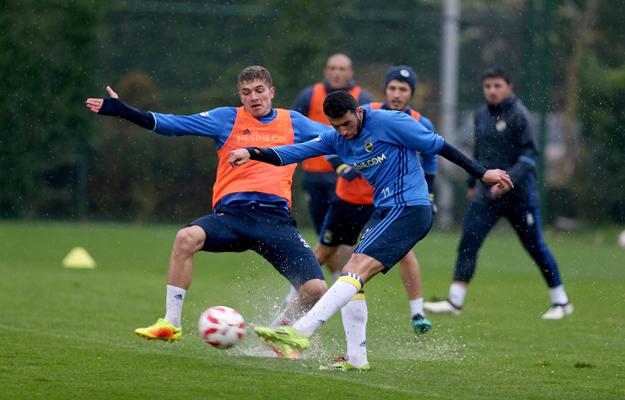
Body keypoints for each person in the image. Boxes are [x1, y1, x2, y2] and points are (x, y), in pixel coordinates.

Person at [228, 90, 513, 370]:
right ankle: (356, 358)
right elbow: (292, 153)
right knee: (352, 275)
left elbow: (438, 146)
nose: (344, 132)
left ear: (358, 112)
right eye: (336, 126)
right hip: (386, 211)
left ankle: (301, 331)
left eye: (347, 124)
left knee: (353, 271)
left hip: (410, 208)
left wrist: (483, 173)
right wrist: (251, 152)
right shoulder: (336, 137)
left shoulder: (389, 121)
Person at [85, 66, 332, 352]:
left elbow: (338, 138)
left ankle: (280, 331)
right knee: (185, 238)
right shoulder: (226, 118)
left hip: (275, 220)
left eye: (260, 91)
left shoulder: (294, 122)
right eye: (246, 92)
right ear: (240, 95)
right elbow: (173, 124)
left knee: (316, 290)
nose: (253, 97)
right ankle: (170, 323)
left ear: (272, 92)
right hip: (232, 217)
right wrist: (125, 111)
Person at [276, 66, 438, 336]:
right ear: (385, 90)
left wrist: (429, 194)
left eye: (404, 89)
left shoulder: (418, 122)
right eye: (393, 88)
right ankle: (291, 307)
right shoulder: (364, 112)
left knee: (396, 255)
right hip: (350, 199)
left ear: (411, 94)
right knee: (326, 253)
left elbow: (432, 157)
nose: (397, 94)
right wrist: (341, 167)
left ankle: (417, 311)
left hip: (391, 204)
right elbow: (330, 140)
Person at [425, 68, 573, 320]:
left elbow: (530, 156)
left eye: (497, 85)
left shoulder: (519, 115)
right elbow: (479, 154)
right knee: (468, 242)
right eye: (488, 86)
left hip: (520, 197)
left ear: (509, 87)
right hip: (486, 195)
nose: (492, 90)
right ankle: (455, 301)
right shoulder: (481, 114)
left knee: (535, 246)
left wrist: (509, 180)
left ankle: (561, 301)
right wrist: (473, 183)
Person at [292, 53, 374, 235]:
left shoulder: (363, 98)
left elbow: (370, 135)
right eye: (332, 68)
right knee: (322, 233)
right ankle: (341, 264)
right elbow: (292, 128)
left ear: (351, 72)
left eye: (342, 69)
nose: (336, 73)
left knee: (343, 234)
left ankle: (352, 262)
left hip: (347, 176)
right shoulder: (309, 95)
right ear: (325, 71)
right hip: (314, 175)